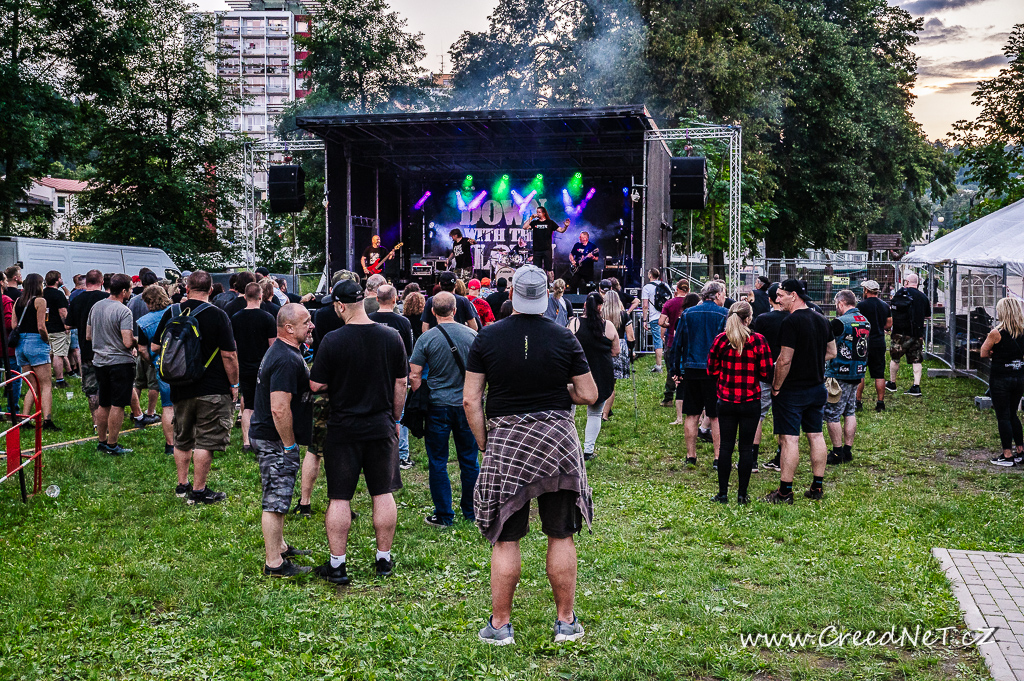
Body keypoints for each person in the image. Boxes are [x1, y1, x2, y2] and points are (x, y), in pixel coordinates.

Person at [463, 264, 598, 645]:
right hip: (557, 442)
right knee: (561, 534)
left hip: (508, 443)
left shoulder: (487, 337)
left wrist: (485, 443)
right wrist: (560, 391)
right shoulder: (564, 337)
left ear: (512, 295)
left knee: (506, 538)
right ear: (545, 297)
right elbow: (590, 394)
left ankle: (500, 626)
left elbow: (471, 400)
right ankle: (566, 622)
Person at [310, 279, 407, 584]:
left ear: (340, 306)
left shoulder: (332, 340)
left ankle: (337, 566)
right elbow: (401, 382)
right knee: (382, 492)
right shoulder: (391, 336)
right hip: (380, 426)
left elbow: (316, 384)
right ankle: (384, 560)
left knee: (340, 497)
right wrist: (395, 416)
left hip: (343, 428)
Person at [151, 271, 239, 505]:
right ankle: (199, 491)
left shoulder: (172, 312)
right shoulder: (218, 315)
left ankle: (182, 485)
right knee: (206, 440)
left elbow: (155, 346)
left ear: (187, 288)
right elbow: (229, 355)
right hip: (212, 386)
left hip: (180, 385)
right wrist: (234, 384)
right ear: (210, 290)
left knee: (182, 437)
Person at [251, 303, 316, 577]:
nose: (311, 326)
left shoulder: (285, 351)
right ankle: (274, 564)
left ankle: (280, 547)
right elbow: (279, 408)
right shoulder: (286, 359)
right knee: (275, 501)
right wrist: (289, 445)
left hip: (271, 436)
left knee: (279, 495)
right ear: (289, 328)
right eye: (306, 322)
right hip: (273, 438)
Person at [763, 279, 837, 504]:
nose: (778, 300)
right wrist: (811, 358)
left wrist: (776, 386)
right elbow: (832, 352)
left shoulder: (791, 321)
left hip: (792, 390)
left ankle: (785, 492)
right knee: (816, 435)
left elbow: (784, 360)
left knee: (789, 439)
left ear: (793, 295)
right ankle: (817, 487)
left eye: (781, 295)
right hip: (817, 388)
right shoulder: (821, 318)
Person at [409, 292, 479, 526]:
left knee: (438, 461)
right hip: (466, 405)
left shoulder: (426, 338)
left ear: (432, 311)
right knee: (469, 459)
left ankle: (444, 514)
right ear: (455, 310)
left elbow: (415, 374)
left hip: (437, 405)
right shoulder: (472, 336)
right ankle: (471, 511)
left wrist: (420, 394)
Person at [706, 301, 774, 503]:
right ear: (749, 318)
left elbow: (711, 370)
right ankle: (742, 495)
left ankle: (722, 494)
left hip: (726, 399)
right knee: (746, 448)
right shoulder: (758, 340)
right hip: (750, 400)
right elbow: (766, 373)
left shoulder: (721, 340)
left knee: (725, 447)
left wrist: (723, 377)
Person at [672, 280, 727, 467]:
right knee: (715, 416)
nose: (725, 297)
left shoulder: (688, 313)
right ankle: (718, 458)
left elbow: (677, 343)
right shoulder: (724, 314)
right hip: (716, 371)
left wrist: (675, 369)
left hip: (692, 369)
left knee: (692, 414)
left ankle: (691, 456)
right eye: (723, 293)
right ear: (717, 295)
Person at [86, 273, 136, 455]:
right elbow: (127, 342)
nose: (130, 292)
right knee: (118, 404)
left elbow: (88, 335)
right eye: (130, 289)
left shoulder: (96, 306)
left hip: (100, 361)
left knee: (104, 402)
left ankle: (101, 441)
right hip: (119, 362)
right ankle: (113, 444)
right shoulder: (124, 311)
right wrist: (137, 341)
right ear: (123, 291)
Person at [567, 292, 619, 460]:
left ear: (584, 306)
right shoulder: (608, 326)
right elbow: (616, 351)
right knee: (595, 414)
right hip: (601, 373)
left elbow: (566, 347)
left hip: (575, 373)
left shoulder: (574, 323)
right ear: (600, 307)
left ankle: (569, 447)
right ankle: (588, 451)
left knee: (568, 412)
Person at [824, 290, 870, 466]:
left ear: (841, 303)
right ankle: (848, 450)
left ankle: (837, 452)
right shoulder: (864, 320)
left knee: (832, 414)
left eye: (837, 304)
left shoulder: (839, 322)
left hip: (839, 373)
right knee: (850, 411)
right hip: (857, 371)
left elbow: (829, 344)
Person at [232, 282, 277, 455]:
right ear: (261, 296)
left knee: (248, 405)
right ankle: (264, 439)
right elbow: (273, 346)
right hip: (263, 367)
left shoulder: (235, 318)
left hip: (244, 366)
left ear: (245, 296)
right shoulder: (268, 318)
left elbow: (234, 346)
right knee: (265, 404)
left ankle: (246, 442)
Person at [981, 297, 1024, 467]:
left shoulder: (996, 333)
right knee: (1013, 413)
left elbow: (983, 352)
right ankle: (1020, 450)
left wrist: (994, 353)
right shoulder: (1022, 332)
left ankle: (1007, 455)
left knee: (1003, 416)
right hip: (1019, 377)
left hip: (1000, 378)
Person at [14, 274, 59, 431]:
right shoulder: (40, 301)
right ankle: (47, 420)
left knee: (32, 384)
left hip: (20, 344)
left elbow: (14, 325)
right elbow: (41, 326)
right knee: (46, 384)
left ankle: (25, 419)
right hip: (36, 342)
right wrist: (47, 340)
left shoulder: (18, 301)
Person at [751, 283, 787, 471]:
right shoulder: (793, 319)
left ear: (770, 299)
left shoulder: (763, 319)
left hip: (764, 372)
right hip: (787, 373)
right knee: (784, 417)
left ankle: (752, 460)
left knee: (758, 415)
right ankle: (781, 458)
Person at [136, 285, 175, 456]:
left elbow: (142, 349)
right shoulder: (177, 312)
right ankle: (189, 440)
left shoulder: (143, 322)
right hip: (184, 363)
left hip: (162, 365)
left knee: (168, 405)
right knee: (187, 403)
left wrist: (151, 361)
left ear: (149, 301)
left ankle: (170, 445)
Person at [67, 270, 109, 429]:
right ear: (102, 282)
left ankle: (96, 422)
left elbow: (68, 324)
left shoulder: (77, 299)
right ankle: (108, 419)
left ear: (87, 282)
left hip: (86, 349)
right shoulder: (107, 298)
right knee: (108, 385)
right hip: (107, 348)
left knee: (92, 389)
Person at [887, 272, 931, 397]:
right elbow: (928, 316)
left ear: (906, 282)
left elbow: (892, 309)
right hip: (916, 333)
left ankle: (892, 383)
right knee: (916, 360)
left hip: (899, 333)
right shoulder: (923, 297)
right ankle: (916, 386)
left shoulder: (900, 294)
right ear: (918, 283)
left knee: (895, 358)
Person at [856, 280, 892, 413]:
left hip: (863, 341)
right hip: (879, 342)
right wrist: (879, 327)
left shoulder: (861, 305)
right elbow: (889, 324)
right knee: (879, 373)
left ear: (866, 290)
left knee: (860, 372)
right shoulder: (885, 306)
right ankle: (880, 403)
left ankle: (858, 402)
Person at [601, 286, 634, 422]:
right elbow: (630, 336)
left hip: (602, 346)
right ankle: (605, 413)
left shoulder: (599, 315)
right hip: (618, 347)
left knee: (601, 379)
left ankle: (600, 410)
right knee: (612, 382)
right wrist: (631, 350)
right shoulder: (623, 315)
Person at [659, 280, 690, 407]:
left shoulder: (670, 303)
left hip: (672, 340)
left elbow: (661, 322)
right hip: (688, 341)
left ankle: (668, 398)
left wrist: (670, 324)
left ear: (677, 289)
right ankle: (686, 396)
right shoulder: (692, 302)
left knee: (671, 370)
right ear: (688, 290)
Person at [524, 207, 569, 281]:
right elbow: (524, 227)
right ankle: (538, 283)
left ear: (544, 213)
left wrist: (566, 226)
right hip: (537, 250)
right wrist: (531, 218)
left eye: (539, 212)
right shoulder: (535, 222)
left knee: (549, 269)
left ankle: (550, 284)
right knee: (536, 269)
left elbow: (561, 230)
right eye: (537, 212)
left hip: (547, 250)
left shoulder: (550, 223)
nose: (537, 214)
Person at [43, 270, 71, 389]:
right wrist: (67, 325)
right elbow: (63, 312)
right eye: (60, 278)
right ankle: (60, 380)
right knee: (58, 355)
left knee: (49, 354)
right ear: (57, 280)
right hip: (58, 328)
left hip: (45, 328)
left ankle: (47, 378)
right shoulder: (58, 294)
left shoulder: (42, 293)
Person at [641, 269, 670, 372]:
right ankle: (669, 362)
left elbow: (645, 306)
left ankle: (659, 366)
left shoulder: (646, 288)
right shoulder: (665, 286)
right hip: (665, 316)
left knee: (657, 341)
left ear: (650, 275)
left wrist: (645, 320)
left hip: (654, 317)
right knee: (666, 339)